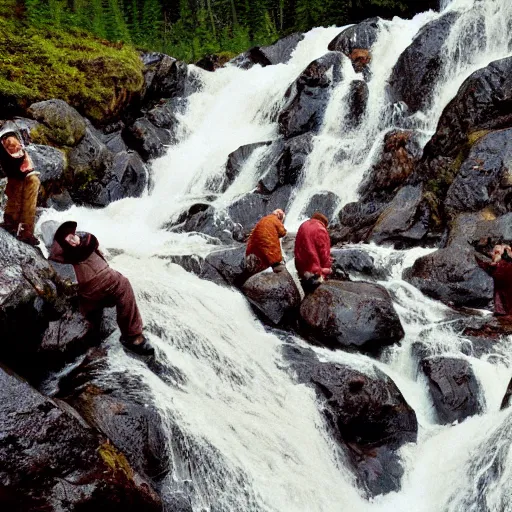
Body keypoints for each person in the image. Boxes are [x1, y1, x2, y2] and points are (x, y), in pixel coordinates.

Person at [49, 221, 154, 356]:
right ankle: (132, 337)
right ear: (59, 244)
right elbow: (65, 282)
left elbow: (90, 243)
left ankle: (127, 336)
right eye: (69, 238)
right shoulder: (59, 257)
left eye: (73, 235)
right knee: (123, 285)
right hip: (92, 293)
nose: (74, 239)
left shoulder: (85, 243)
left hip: (102, 289)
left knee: (120, 287)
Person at [0, 123, 40, 246]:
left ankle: (16, 225)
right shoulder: (8, 138)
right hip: (15, 171)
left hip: (17, 171)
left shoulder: (9, 138)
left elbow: (17, 153)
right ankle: (20, 228)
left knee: (26, 181)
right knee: (29, 182)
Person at [294, 212, 332, 294]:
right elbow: (324, 252)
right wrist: (327, 269)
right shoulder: (320, 229)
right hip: (314, 271)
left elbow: (297, 247)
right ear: (324, 222)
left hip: (302, 268)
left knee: (306, 292)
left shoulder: (303, 225)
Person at [245, 209, 287, 275]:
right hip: (267, 241)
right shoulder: (275, 219)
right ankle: (277, 268)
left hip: (254, 243)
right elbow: (282, 232)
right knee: (274, 256)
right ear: (280, 216)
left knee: (261, 257)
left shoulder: (264, 219)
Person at [476, 243, 512, 316]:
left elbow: (481, 262)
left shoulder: (499, 267)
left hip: (502, 312)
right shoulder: (504, 267)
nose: (492, 254)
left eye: (495, 252)